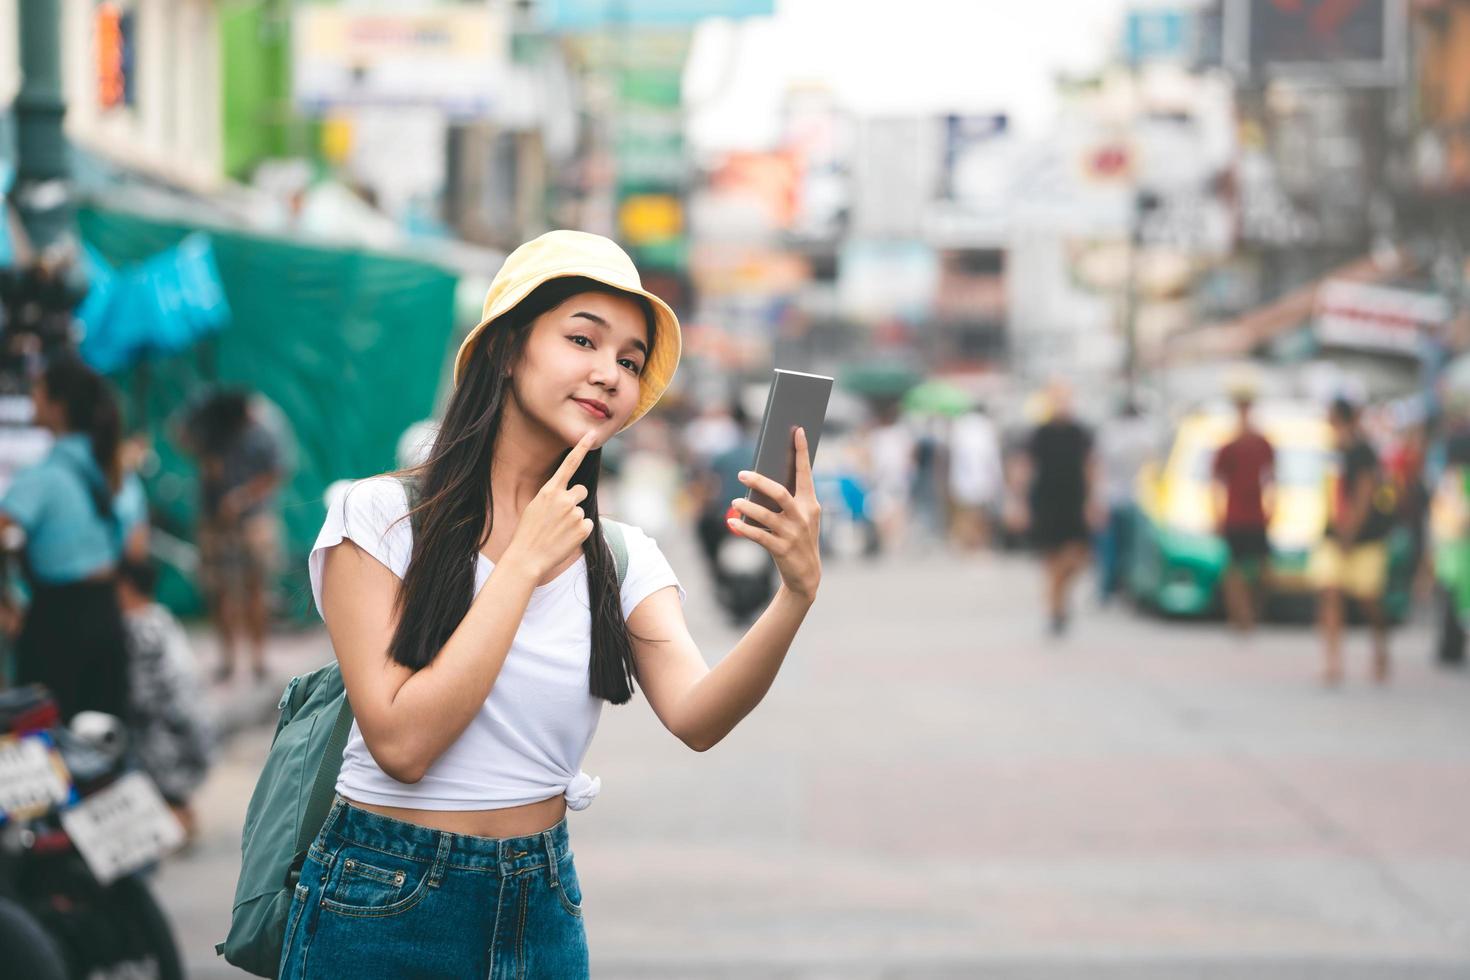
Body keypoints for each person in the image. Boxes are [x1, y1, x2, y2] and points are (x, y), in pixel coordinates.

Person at [280, 231, 822, 979]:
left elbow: (698, 717)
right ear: (507, 350)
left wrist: (795, 596)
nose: (609, 373)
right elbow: (402, 747)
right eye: (582, 340)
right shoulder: (381, 519)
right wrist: (524, 562)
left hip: (542, 903)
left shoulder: (619, 556)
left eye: (630, 361)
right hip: (382, 900)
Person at [0, 354, 147, 721]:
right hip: (108, 619)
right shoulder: (114, 470)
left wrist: (6, 602)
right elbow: (137, 546)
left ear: (57, 406)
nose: (32, 398)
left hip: (55, 626)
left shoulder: (42, 477)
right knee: (104, 745)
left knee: (50, 747)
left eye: (38, 390)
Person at [180, 388, 284, 683]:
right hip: (213, 521)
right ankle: (227, 659)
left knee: (255, 588)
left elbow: (276, 470)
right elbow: (179, 436)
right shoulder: (208, 423)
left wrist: (244, 497)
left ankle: (259, 658)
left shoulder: (264, 426)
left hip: (254, 521)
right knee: (218, 591)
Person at [117, 557, 215, 843]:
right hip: (184, 715)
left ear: (126, 587)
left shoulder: (138, 629)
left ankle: (179, 827)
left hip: (163, 722)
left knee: (165, 782)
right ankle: (182, 821)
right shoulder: (160, 616)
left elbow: (145, 687)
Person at [1312, 397, 1394, 687]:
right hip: (1334, 536)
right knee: (1330, 591)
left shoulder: (1362, 451)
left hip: (1363, 540)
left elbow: (1363, 494)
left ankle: (1381, 648)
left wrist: (1350, 533)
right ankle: (1333, 662)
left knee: (1368, 600)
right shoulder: (1333, 449)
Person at [1026, 381, 1097, 636]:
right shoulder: (1040, 433)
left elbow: (1091, 466)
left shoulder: (1081, 432)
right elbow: (1025, 467)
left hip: (1073, 501)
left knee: (1077, 558)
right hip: (1047, 500)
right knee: (1051, 559)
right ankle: (1056, 609)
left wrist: (1092, 500)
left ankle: (1057, 599)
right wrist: (1019, 502)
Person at [1211, 389, 1276, 634]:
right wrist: (1217, 512)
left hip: (1256, 514)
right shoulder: (1228, 446)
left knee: (1262, 568)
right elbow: (1217, 482)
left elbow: (1271, 478)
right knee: (1235, 568)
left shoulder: (1262, 444)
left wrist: (1272, 506)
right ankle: (1239, 615)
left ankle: (1252, 610)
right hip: (1235, 514)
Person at [1094, 399, 1154, 603]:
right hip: (1127, 496)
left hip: (1121, 496)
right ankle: (1116, 587)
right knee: (1123, 546)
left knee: (1113, 547)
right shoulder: (1142, 432)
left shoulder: (1112, 432)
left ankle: (1110, 588)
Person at [947, 402, 1003, 551]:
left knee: (966, 513)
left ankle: (967, 543)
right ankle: (977, 543)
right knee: (980, 513)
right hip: (981, 477)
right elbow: (992, 457)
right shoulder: (986, 427)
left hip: (963, 478)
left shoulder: (960, 426)